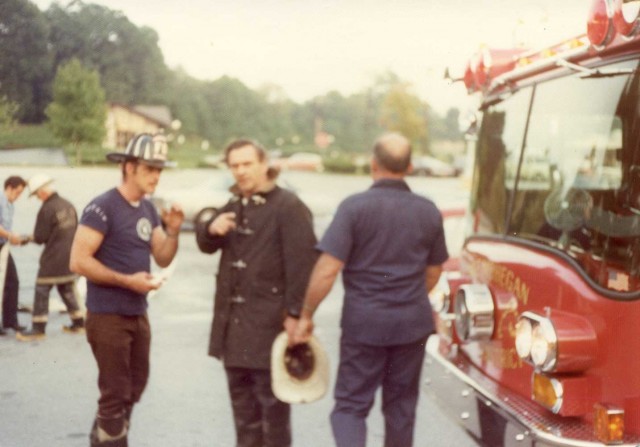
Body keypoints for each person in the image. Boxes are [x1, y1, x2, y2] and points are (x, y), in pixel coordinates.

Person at [291, 132, 449, 447]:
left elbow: (326, 270)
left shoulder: (354, 208)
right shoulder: (428, 210)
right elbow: (433, 272)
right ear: (410, 166)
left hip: (364, 324)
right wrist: (410, 297)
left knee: (350, 408)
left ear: (373, 164)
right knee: (401, 409)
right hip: (412, 325)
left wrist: (306, 313)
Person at [195, 139, 318, 447]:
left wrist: (295, 315)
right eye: (234, 165)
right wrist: (210, 227)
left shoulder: (289, 206)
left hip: (270, 332)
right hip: (233, 333)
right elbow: (206, 244)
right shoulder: (235, 204)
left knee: (273, 420)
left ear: (264, 164)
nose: (240, 171)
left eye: (247, 164)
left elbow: (303, 267)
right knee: (244, 420)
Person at [69, 133, 184, 447]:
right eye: (150, 168)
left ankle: (104, 439)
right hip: (107, 314)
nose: (156, 176)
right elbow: (78, 261)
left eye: (160, 170)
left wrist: (173, 232)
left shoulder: (147, 209)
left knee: (135, 386)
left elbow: (161, 254)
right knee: (115, 391)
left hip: (137, 312)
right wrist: (127, 280)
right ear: (129, 167)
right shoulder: (102, 206)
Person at [17, 174, 85, 341]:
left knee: (42, 288)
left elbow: (41, 237)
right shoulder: (68, 205)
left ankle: (38, 328)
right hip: (69, 256)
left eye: (36, 195)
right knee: (66, 289)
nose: (37, 198)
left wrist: (26, 238)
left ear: (42, 192)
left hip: (52, 258)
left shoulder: (47, 209)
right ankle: (79, 323)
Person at [0, 175, 27, 335]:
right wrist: (11, 236)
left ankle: (10, 321)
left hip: (3, 246)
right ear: (9, 187)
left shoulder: (10, 205)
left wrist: (14, 238)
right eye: (17, 192)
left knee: (12, 281)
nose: (18, 196)